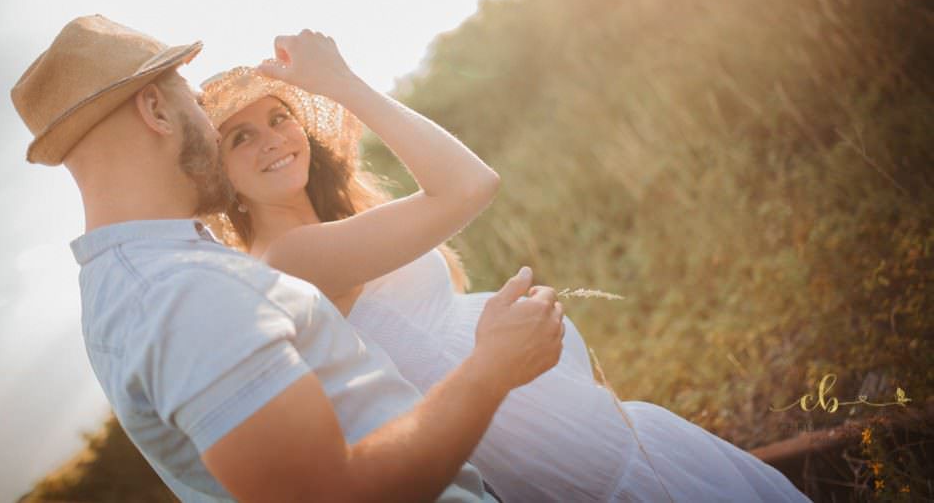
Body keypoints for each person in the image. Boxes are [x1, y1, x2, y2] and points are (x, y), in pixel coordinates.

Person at [200, 30, 813, 502]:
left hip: (593, 433)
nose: (271, 138)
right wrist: (342, 81)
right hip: (567, 463)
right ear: (220, 176)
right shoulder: (288, 258)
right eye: (240, 138)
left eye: (278, 117)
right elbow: (470, 184)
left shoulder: (334, 228)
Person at [10, 14, 567, 503]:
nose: (210, 129)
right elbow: (329, 497)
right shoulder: (180, 294)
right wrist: (491, 369)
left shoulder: (151, 281)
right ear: (156, 109)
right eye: (196, 104)